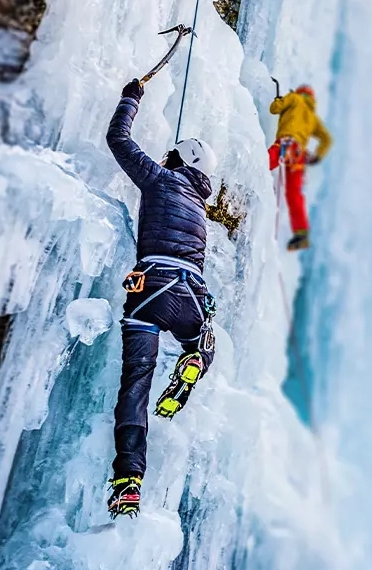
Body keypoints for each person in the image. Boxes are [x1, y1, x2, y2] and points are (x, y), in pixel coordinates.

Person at [104, 78, 218, 519]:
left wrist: (131, 96)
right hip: (189, 293)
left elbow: (118, 139)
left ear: (181, 159)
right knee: (201, 341)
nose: (165, 157)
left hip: (150, 289)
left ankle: (128, 480)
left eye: (173, 153)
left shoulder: (159, 179)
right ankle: (194, 361)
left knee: (135, 384)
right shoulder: (201, 209)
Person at [268, 84, 332, 251]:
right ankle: (301, 233)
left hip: (286, 144)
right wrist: (317, 156)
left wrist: (279, 100)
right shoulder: (312, 117)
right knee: (294, 193)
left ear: (300, 93)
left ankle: (244, 177)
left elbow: (274, 109)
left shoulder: (294, 98)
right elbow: (326, 139)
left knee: (264, 162)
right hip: (298, 155)